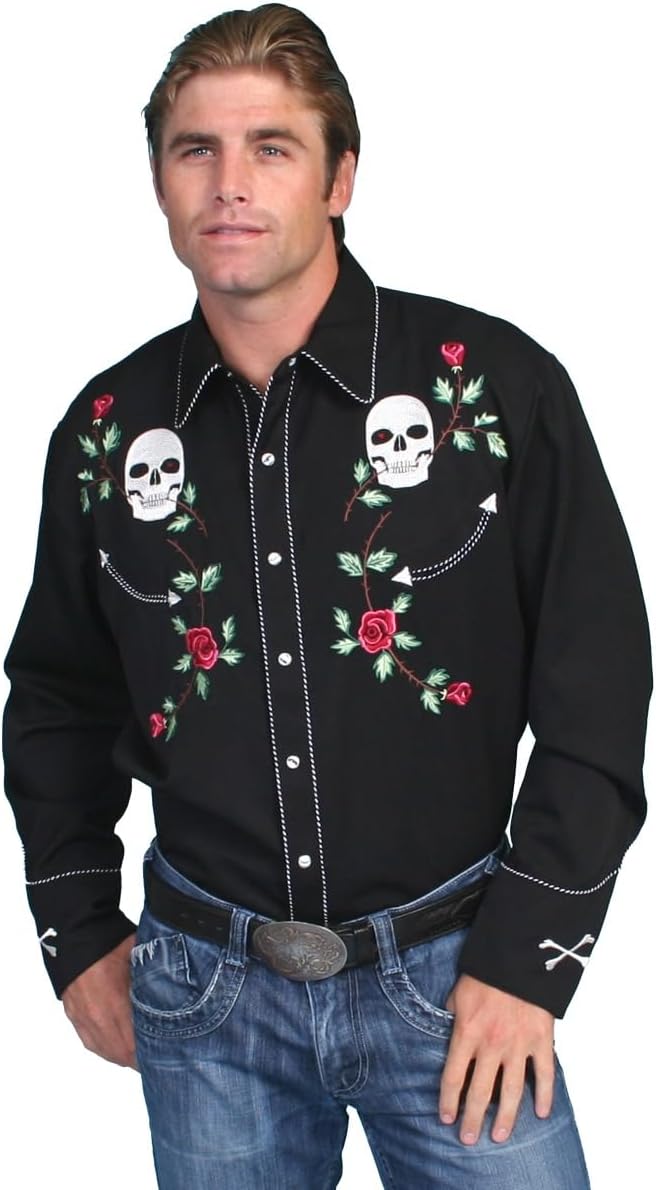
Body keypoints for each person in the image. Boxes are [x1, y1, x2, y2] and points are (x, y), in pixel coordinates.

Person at [2, 4, 651, 1188]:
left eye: (272, 147)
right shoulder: (104, 434)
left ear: (340, 176)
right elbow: (54, 693)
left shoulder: (489, 390)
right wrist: (76, 924)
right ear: (157, 181)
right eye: (195, 149)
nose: (229, 183)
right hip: (205, 995)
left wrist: (526, 957)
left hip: (458, 979)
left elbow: (598, 683)